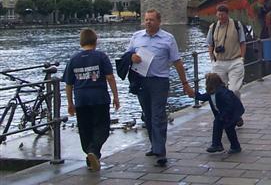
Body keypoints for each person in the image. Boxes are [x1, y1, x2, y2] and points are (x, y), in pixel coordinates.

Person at [127, 9, 194, 167]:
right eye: (146, 19)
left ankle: (160, 151)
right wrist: (131, 57)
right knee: (148, 115)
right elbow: (126, 57)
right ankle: (154, 145)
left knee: (158, 115)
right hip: (141, 81)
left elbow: (177, 62)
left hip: (160, 81)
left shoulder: (168, 39)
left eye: (151, 20)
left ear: (159, 21)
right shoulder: (136, 37)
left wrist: (185, 83)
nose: (148, 22)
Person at [63, 28, 120, 172]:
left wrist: (70, 103)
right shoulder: (101, 56)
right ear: (95, 41)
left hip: (81, 99)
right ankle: (94, 152)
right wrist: (116, 96)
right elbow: (110, 77)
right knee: (103, 127)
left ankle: (90, 155)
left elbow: (68, 84)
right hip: (99, 97)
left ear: (81, 41)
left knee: (85, 129)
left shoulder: (73, 59)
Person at [207, 4, 247, 126]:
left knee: (234, 90)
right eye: (218, 14)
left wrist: (242, 58)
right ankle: (225, 115)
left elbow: (242, 42)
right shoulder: (213, 27)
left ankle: (237, 113)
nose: (220, 17)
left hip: (235, 61)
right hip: (219, 62)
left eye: (222, 14)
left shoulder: (236, 25)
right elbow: (210, 43)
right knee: (219, 92)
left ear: (227, 14)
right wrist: (212, 58)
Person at [195, 73, 245, 154]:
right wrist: (194, 94)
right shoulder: (212, 93)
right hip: (225, 114)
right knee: (220, 126)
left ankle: (232, 146)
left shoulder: (223, 93)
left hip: (232, 114)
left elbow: (230, 106)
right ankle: (219, 145)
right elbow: (202, 97)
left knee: (228, 129)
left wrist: (223, 116)